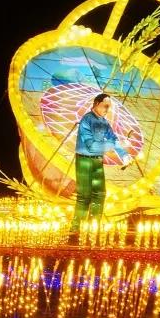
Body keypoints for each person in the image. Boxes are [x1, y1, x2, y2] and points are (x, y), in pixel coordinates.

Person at [70, 93, 131, 239]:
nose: (107, 109)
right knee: (84, 195)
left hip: (97, 160)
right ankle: (76, 228)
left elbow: (113, 139)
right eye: (105, 106)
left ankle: (93, 226)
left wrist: (124, 154)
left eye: (109, 107)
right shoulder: (86, 120)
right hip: (84, 160)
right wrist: (112, 144)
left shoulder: (104, 122)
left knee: (100, 193)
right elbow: (91, 146)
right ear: (96, 103)